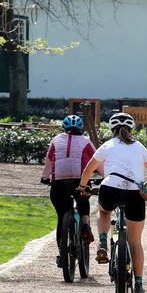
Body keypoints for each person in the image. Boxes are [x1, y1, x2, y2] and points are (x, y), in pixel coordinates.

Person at [79, 112, 147, 293]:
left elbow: (88, 170)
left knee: (104, 213)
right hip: (134, 194)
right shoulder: (139, 147)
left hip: (110, 189)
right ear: (131, 130)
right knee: (135, 241)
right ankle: (139, 284)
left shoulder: (107, 145)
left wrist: (82, 187)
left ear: (112, 129)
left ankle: (102, 241)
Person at [41, 115, 100, 268]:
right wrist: (105, 176)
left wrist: (45, 177)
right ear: (81, 129)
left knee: (61, 216)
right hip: (79, 180)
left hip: (59, 182)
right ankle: (86, 226)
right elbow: (97, 160)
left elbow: (49, 160)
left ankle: (62, 253)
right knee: (83, 201)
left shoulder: (55, 140)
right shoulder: (86, 141)